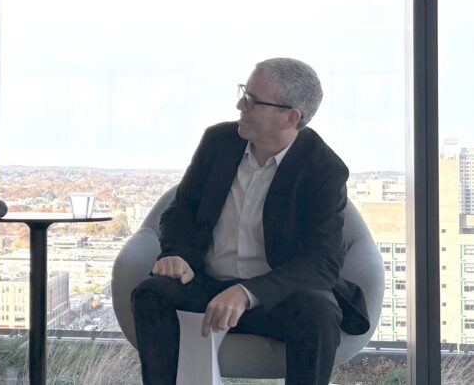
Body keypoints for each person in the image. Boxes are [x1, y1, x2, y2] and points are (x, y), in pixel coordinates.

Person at [130, 58, 369, 385]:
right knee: (150, 293)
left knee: (318, 313)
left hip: (276, 297)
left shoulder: (323, 168)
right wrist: (175, 253)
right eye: (244, 93)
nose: (240, 105)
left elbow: (323, 262)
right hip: (205, 285)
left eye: (253, 101)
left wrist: (247, 292)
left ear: (292, 117)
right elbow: (181, 211)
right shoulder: (218, 142)